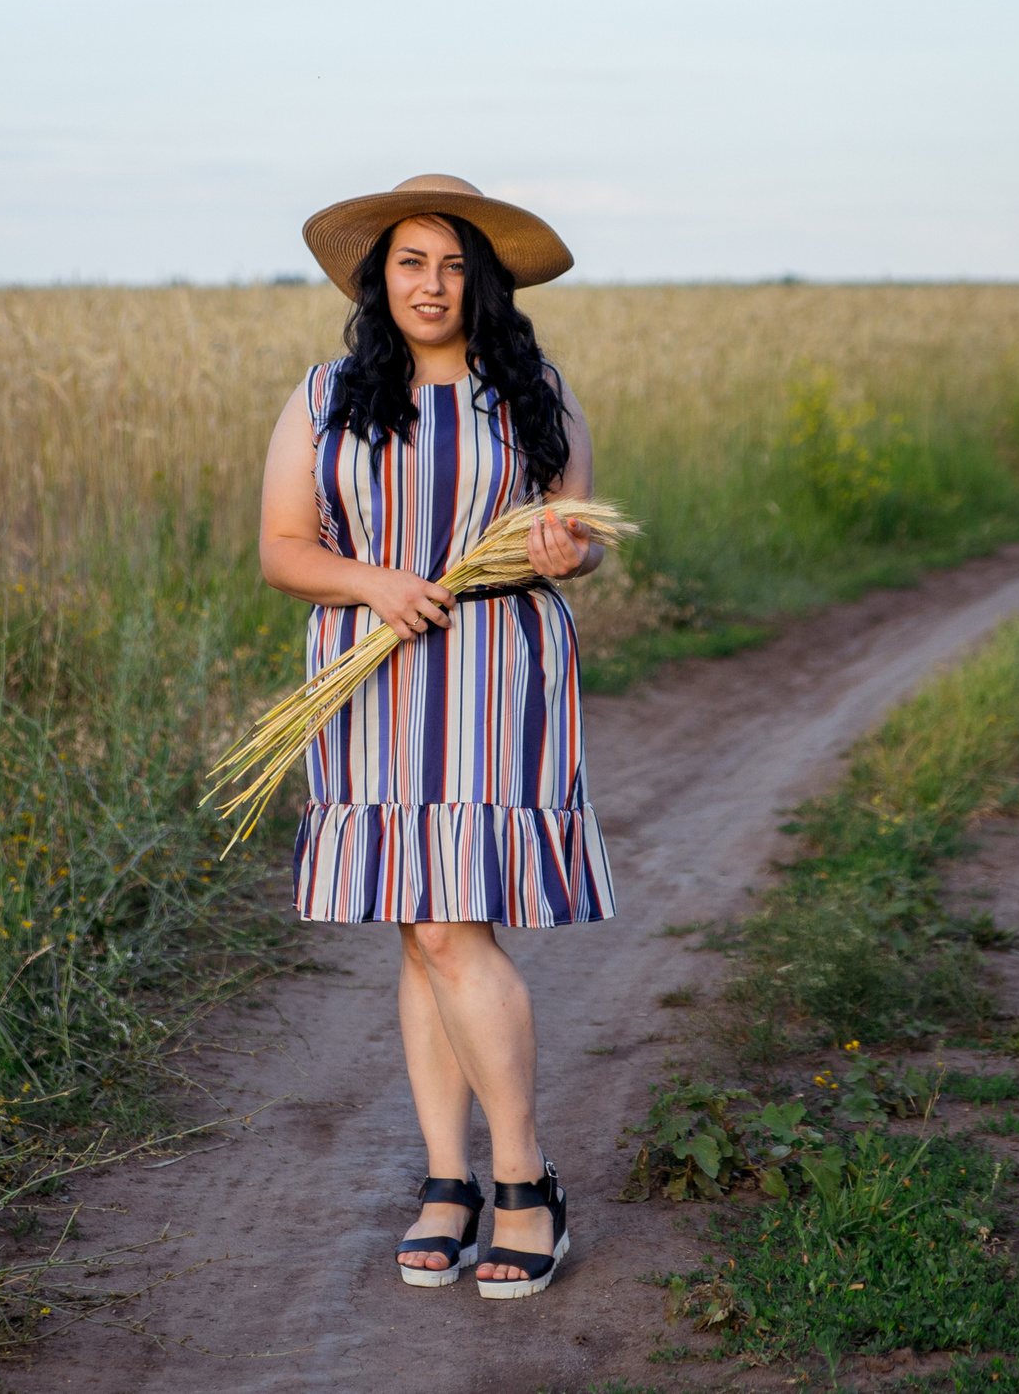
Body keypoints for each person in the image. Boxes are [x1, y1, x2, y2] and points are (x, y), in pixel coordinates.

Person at [257, 173, 614, 1300]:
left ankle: (524, 1182)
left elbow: (583, 534)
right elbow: (283, 548)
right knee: (420, 930)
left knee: (451, 927)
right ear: (380, 278)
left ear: (483, 282)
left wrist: (570, 552)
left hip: (497, 667)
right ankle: (449, 1181)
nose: (432, 284)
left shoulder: (535, 393)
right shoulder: (324, 396)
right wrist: (373, 582)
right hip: (370, 673)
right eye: (411, 262)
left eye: (455, 265)